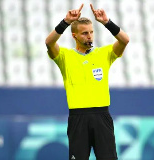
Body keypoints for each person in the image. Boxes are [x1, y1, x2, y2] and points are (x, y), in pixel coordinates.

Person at [45, 3, 129, 160]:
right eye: (84, 33)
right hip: (78, 117)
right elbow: (49, 42)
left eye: (91, 32)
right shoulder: (65, 56)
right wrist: (66, 22)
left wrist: (106, 22)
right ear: (74, 35)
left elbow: (125, 40)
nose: (89, 36)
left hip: (102, 115)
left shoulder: (104, 54)